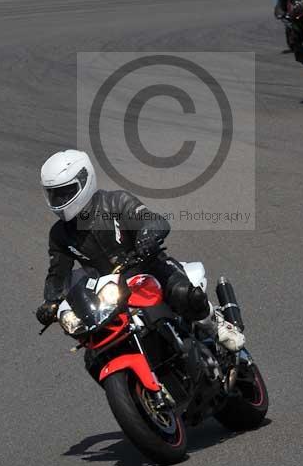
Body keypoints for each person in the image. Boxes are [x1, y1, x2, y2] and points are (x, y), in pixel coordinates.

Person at [35, 149, 244, 351]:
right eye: (54, 195)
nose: (60, 201)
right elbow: (58, 273)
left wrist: (147, 235)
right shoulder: (60, 235)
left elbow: (154, 221)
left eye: (65, 193)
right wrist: (50, 302)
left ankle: (216, 325)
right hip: (111, 292)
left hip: (150, 268)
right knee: (93, 347)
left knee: (185, 295)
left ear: (84, 181)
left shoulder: (116, 202)